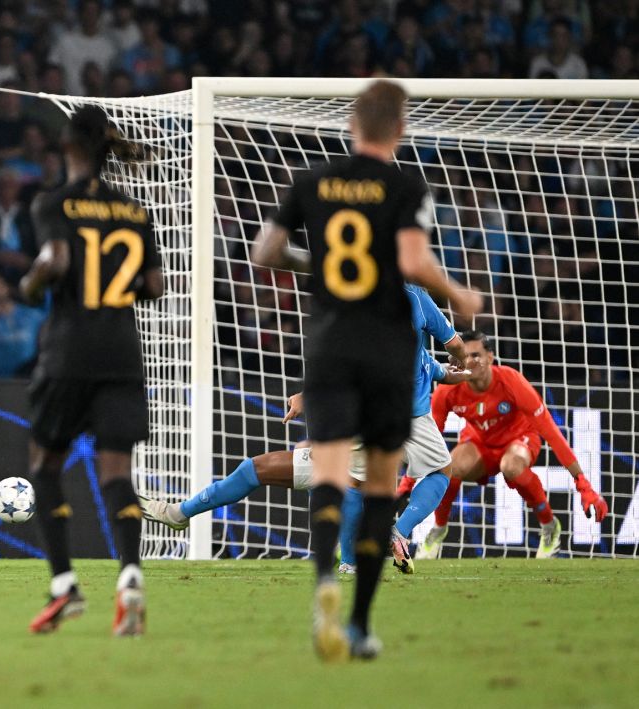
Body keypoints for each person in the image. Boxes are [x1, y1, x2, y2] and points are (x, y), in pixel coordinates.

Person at [251, 79, 482, 661]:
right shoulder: (406, 186)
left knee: (329, 475)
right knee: (380, 487)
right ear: (399, 130)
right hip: (387, 354)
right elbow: (410, 261)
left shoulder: (311, 181)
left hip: (329, 349)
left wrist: (318, 260)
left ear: (351, 126)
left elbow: (265, 253)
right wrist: (457, 291)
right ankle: (358, 625)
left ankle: (325, 581)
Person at [142, 286, 471, 576]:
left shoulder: (361, 303)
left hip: (357, 418)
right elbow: (447, 352)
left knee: (339, 476)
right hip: (390, 418)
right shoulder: (414, 304)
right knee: (263, 470)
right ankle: (388, 537)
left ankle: (351, 558)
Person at [21, 106, 163, 637]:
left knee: (45, 465)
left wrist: (30, 285)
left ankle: (65, 586)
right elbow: (154, 286)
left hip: (69, 352)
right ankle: (129, 579)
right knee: (117, 473)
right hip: (123, 354)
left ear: (69, 147)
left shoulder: (53, 203)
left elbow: (54, 262)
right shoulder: (133, 210)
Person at [415, 330, 608, 560]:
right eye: (466, 356)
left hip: (520, 438)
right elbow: (429, 439)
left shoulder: (511, 381)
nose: (471, 361)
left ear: (490, 357)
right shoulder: (448, 389)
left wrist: (582, 483)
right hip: (480, 442)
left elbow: (551, 432)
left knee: (512, 465)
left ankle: (549, 526)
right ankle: (438, 529)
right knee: (449, 467)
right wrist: (407, 483)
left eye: (477, 355)